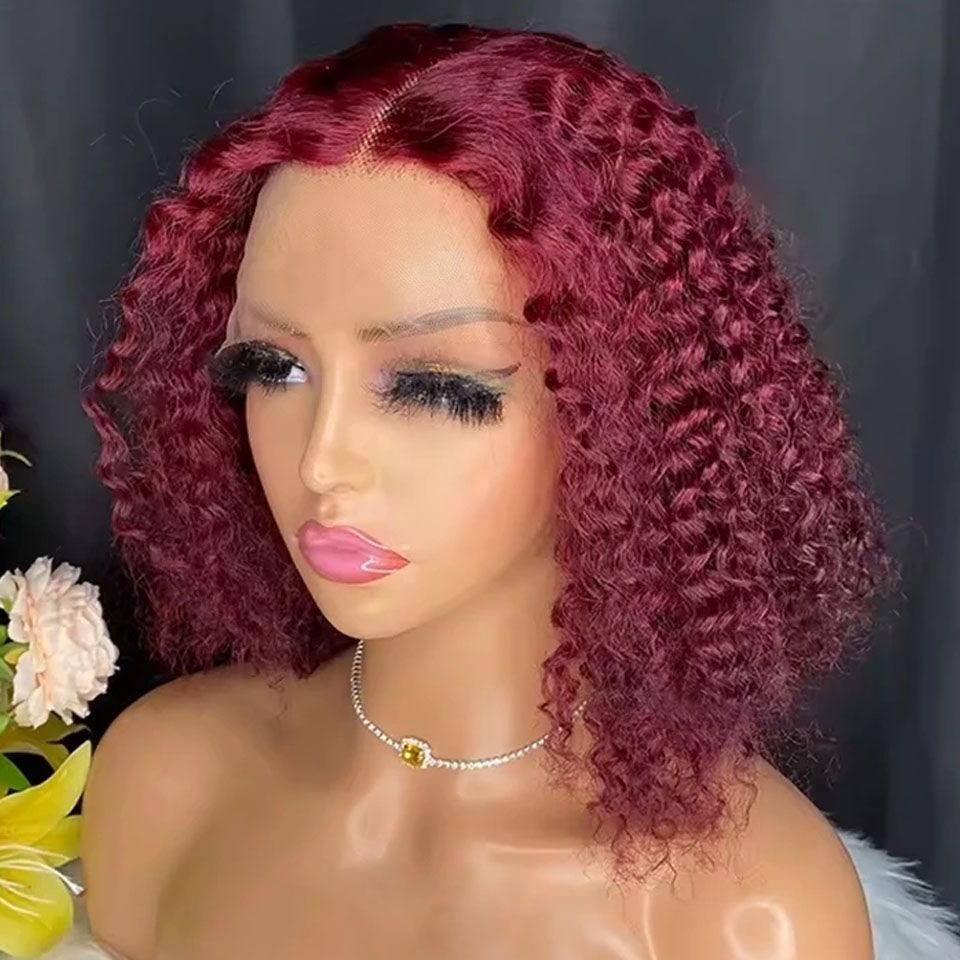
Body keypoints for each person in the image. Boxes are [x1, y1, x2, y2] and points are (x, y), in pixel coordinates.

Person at [65, 20, 911, 960]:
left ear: (624, 405)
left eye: (434, 387)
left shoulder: (740, 919)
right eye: (276, 367)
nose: (321, 461)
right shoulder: (168, 784)